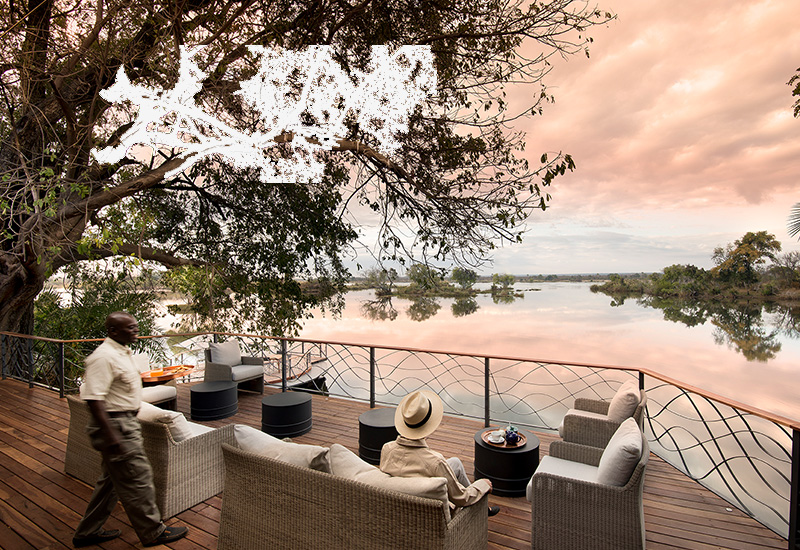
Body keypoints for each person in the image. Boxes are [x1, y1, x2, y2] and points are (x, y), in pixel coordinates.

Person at [72, 312, 189, 548]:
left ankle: (87, 532)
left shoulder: (122, 352)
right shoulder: (103, 357)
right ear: (113, 331)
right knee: (139, 478)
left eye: (136, 327)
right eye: (130, 328)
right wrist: (112, 434)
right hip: (116, 426)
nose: (135, 331)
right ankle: (153, 532)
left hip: (125, 422)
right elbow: (94, 399)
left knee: (110, 482)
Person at [380, 389, 500, 516]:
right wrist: (482, 485)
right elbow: (462, 498)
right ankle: (482, 508)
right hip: (429, 514)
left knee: (455, 463)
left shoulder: (387, 449)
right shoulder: (436, 462)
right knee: (457, 476)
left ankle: (484, 508)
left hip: (400, 507)